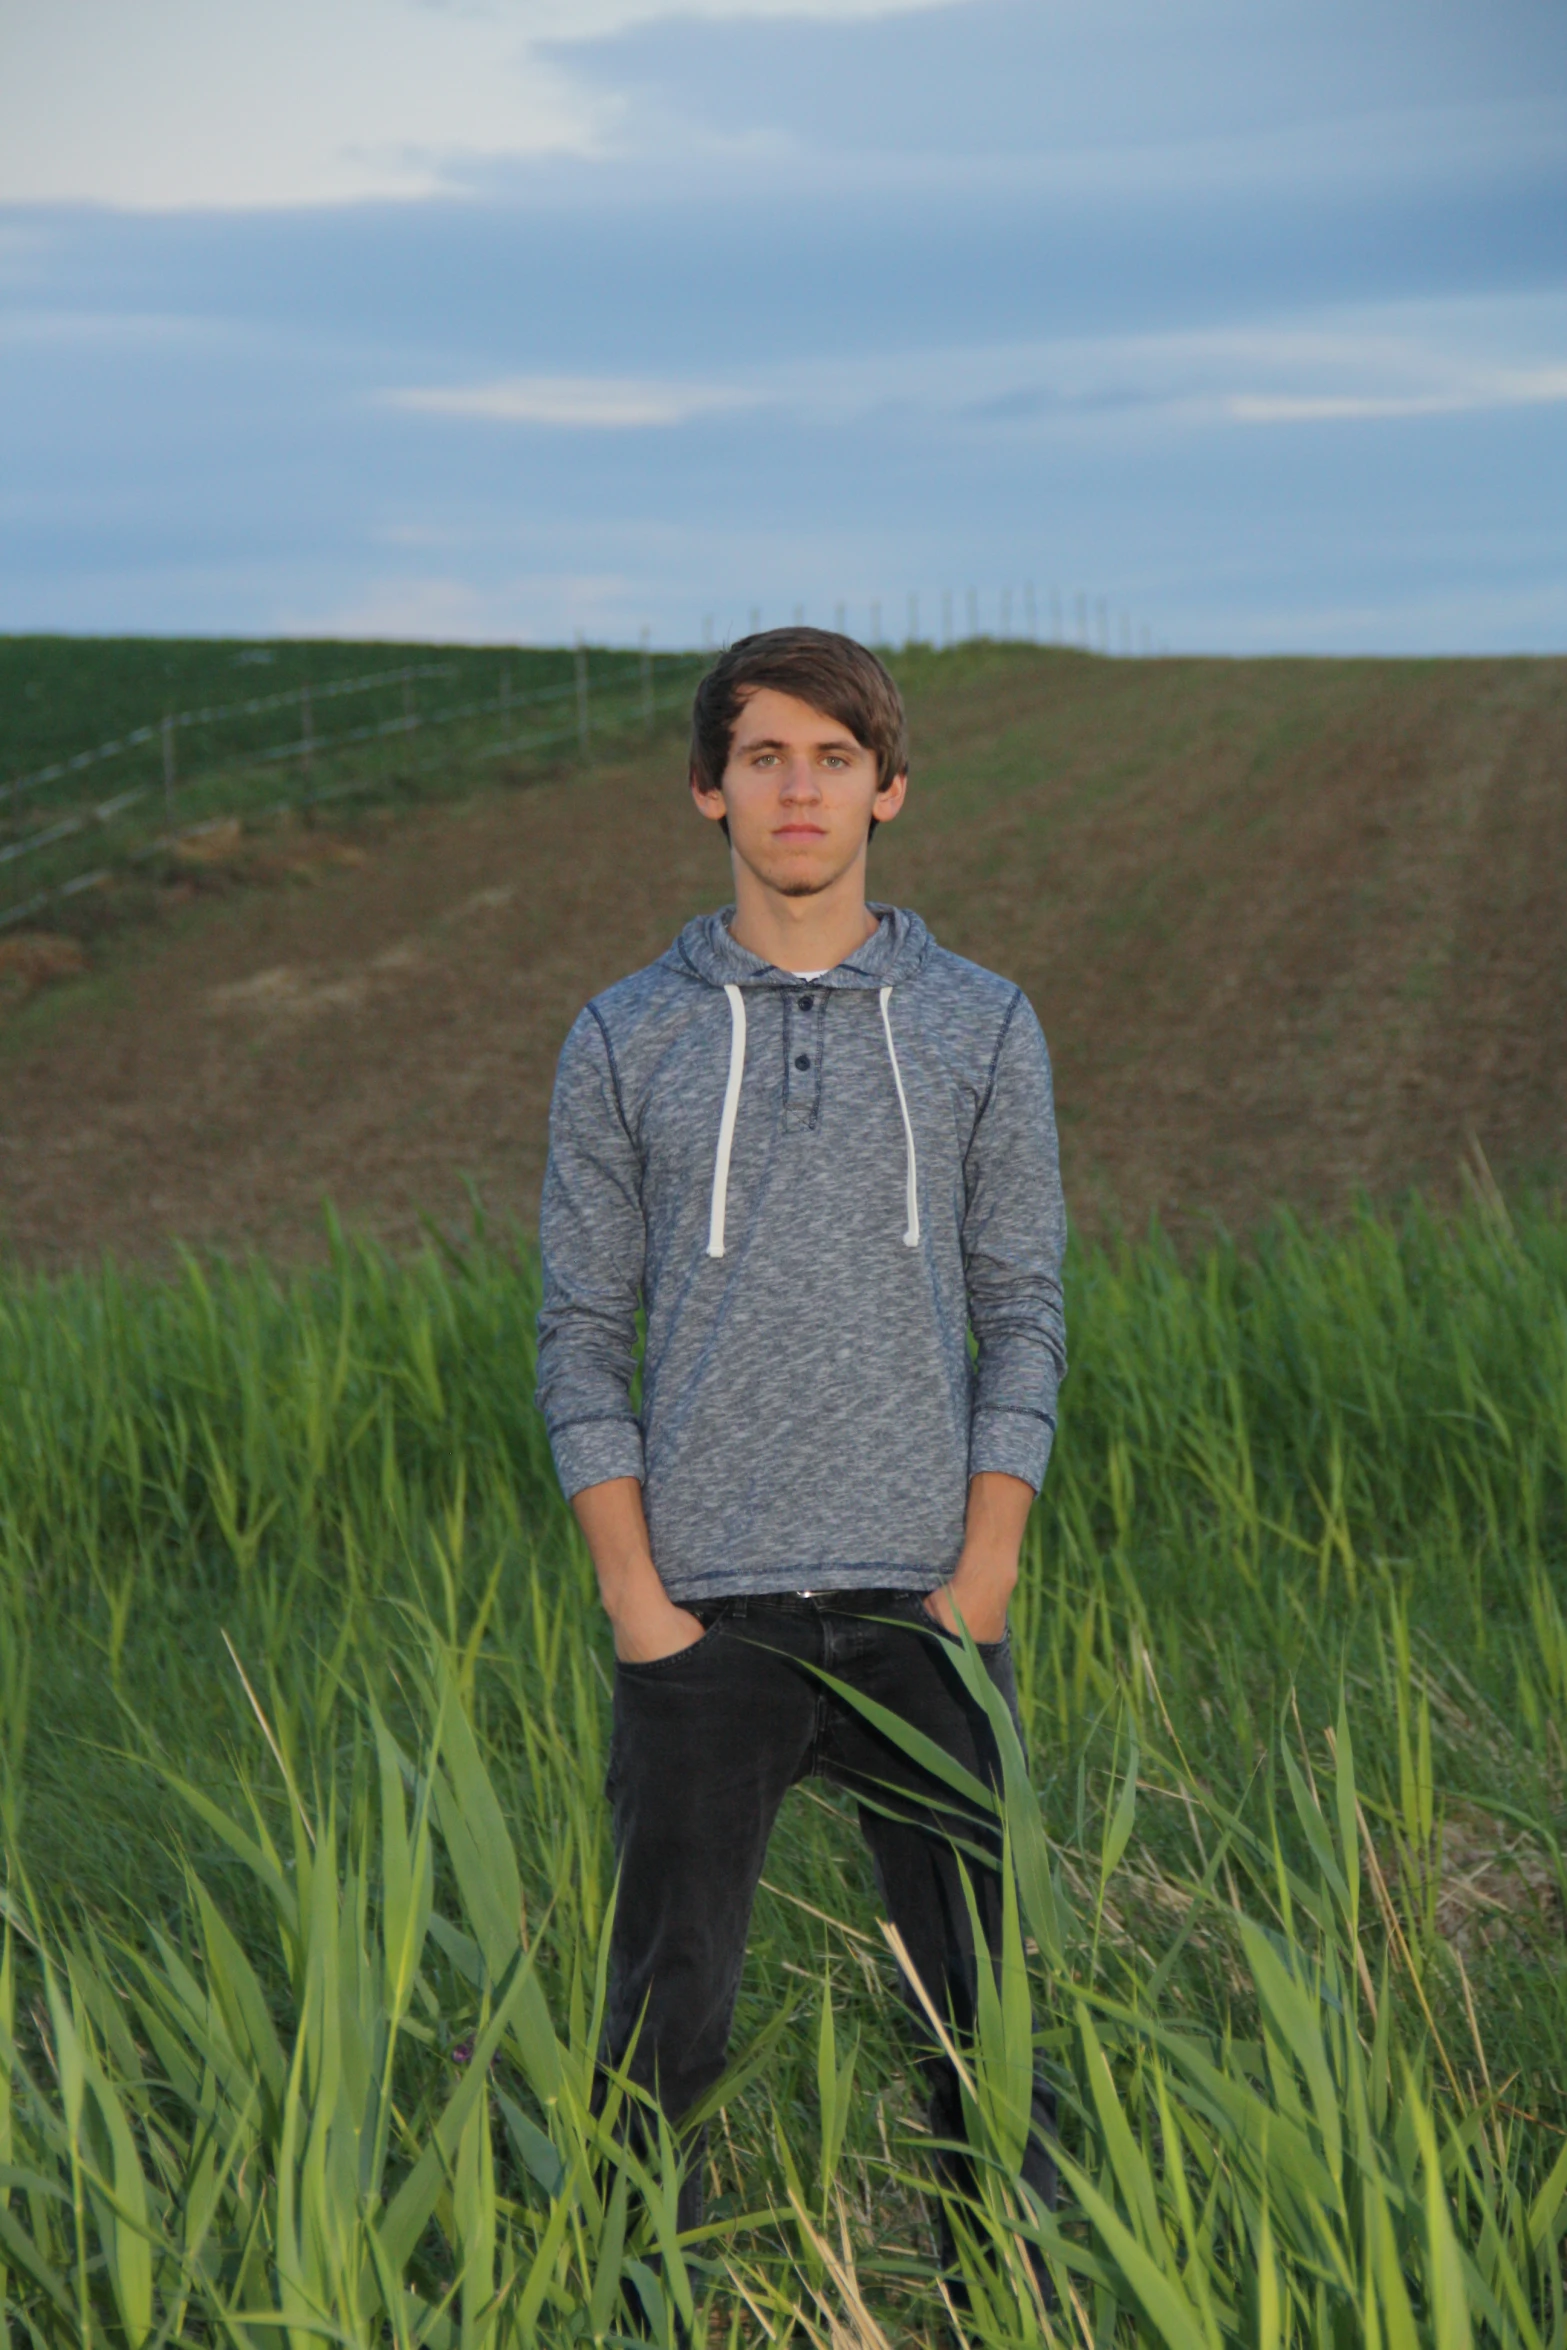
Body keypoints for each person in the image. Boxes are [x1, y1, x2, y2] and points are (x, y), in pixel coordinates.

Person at [534, 626, 1066, 2274]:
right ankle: (640, 2306)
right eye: (762, 754)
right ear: (708, 788)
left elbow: (1023, 1310)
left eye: (833, 756)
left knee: (987, 2041)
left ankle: (1011, 2308)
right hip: (704, 1616)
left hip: (926, 1612)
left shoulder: (980, 1023)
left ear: (887, 789)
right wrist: (638, 1598)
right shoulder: (626, 1034)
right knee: (659, 2042)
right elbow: (574, 1329)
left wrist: (978, 1576)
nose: (797, 787)